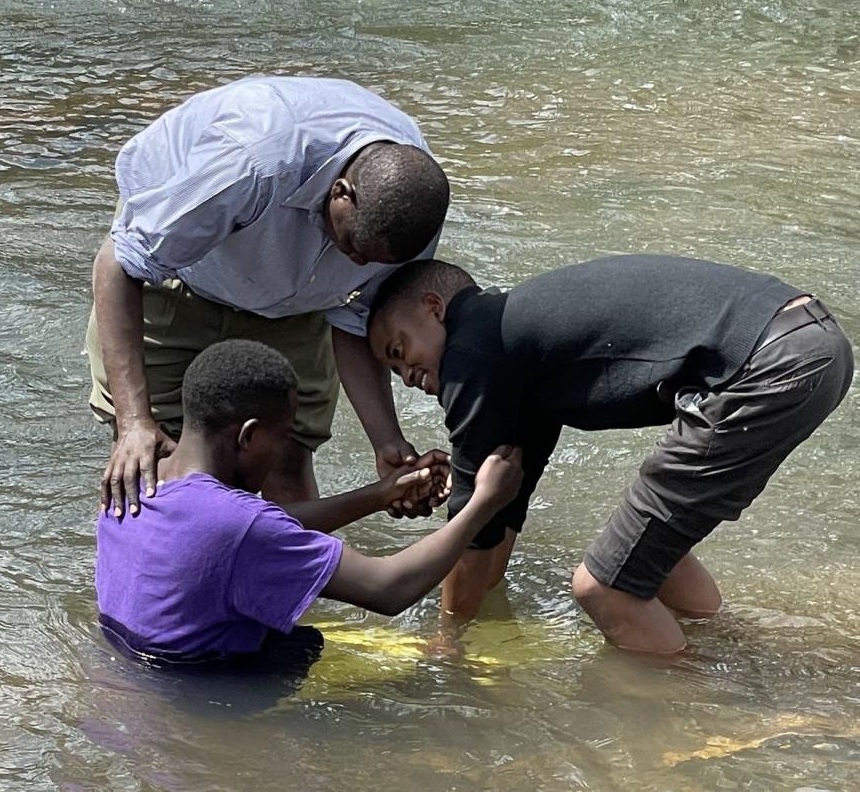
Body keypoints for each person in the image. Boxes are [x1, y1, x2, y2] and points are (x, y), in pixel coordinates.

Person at [366, 254, 853, 654]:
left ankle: (706, 710)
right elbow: (491, 529)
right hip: (809, 343)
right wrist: (475, 579)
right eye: (392, 370)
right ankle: (726, 646)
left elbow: (470, 537)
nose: (405, 375)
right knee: (644, 551)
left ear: (434, 308)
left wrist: (448, 641)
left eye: (398, 349)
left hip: (768, 364)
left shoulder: (471, 353)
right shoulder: (517, 354)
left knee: (604, 587)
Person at [86, 75, 451, 518]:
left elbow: (356, 318)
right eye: (351, 248)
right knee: (163, 475)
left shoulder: (412, 199)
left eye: (368, 265)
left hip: (299, 307)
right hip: (179, 283)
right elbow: (119, 263)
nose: (355, 267)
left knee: (286, 463)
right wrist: (134, 424)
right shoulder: (252, 162)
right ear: (342, 193)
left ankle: (292, 587)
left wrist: (387, 443)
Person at [95, 339, 523, 662]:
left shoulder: (136, 478)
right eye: (282, 438)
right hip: (205, 687)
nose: (284, 451)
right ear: (248, 436)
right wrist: (482, 503)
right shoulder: (239, 527)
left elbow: (253, 527)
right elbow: (389, 589)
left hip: (129, 667)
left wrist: (376, 496)